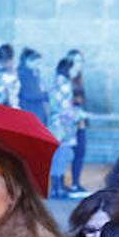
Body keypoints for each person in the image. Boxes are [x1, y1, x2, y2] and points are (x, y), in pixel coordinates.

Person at [48, 56, 82, 198]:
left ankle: (58, 185)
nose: (76, 71)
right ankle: (57, 187)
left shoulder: (58, 81)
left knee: (61, 154)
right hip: (63, 125)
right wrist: (78, 115)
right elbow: (64, 107)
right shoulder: (64, 84)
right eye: (74, 68)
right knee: (62, 154)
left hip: (59, 124)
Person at [67, 48, 90, 195]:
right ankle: (62, 183)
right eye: (76, 60)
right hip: (70, 121)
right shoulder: (66, 78)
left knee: (81, 151)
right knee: (68, 153)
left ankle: (76, 182)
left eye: (81, 61)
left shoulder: (79, 78)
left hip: (80, 121)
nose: (79, 64)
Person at [0, 44, 20, 109]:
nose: (5, 63)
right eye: (2, 60)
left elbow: (14, 96)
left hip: (11, 109)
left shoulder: (15, 75)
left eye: (7, 60)